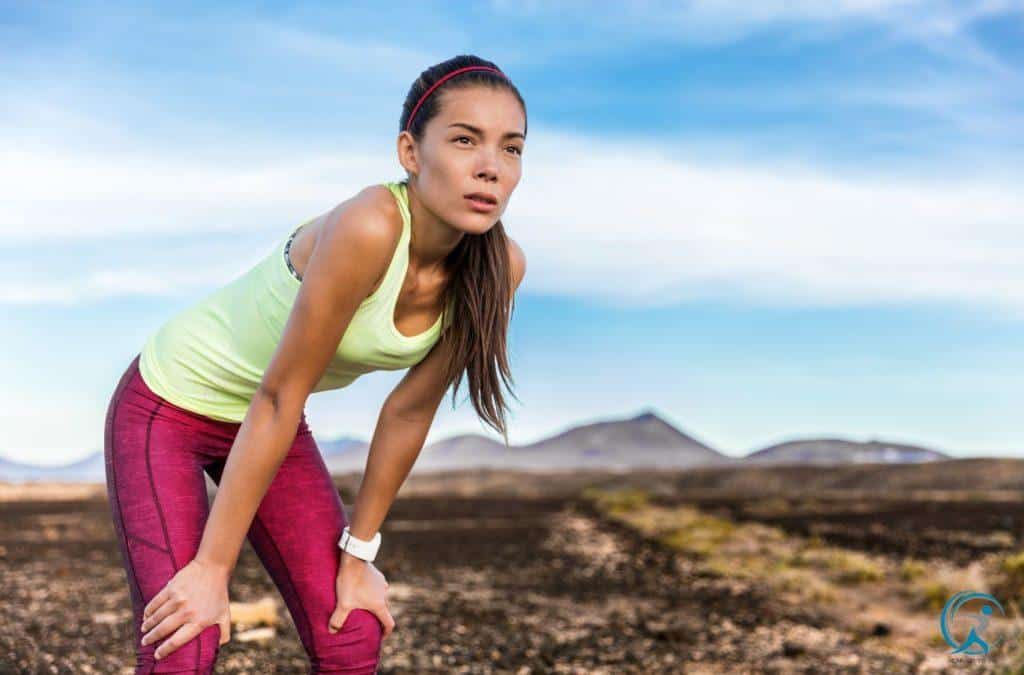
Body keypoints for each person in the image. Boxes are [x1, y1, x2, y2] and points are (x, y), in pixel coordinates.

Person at [103, 53, 527, 673]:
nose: (490, 167)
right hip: (169, 405)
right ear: (410, 151)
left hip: (270, 425)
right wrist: (212, 569)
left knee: (351, 630)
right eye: (465, 140)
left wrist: (358, 557)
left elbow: (408, 414)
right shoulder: (370, 225)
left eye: (511, 149)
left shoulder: (497, 269)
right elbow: (278, 396)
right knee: (186, 636)